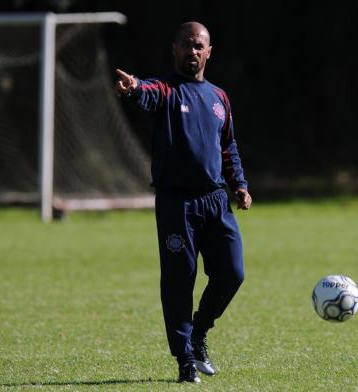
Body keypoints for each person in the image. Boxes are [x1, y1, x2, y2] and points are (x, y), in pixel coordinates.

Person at [116, 21, 252, 384]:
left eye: (199, 46)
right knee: (179, 281)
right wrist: (133, 88)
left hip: (215, 201)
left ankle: (199, 332)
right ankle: (184, 359)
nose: (192, 52)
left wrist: (239, 184)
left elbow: (228, 145)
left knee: (232, 273)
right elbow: (145, 92)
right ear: (174, 49)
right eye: (186, 45)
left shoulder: (219, 98)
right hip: (178, 204)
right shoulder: (166, 90)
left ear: (209, 52)